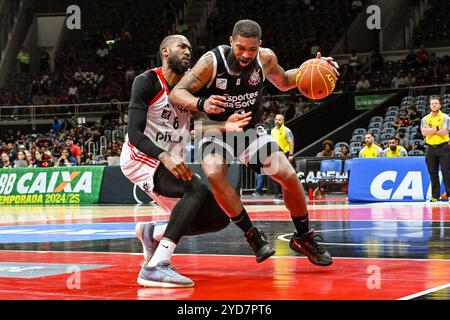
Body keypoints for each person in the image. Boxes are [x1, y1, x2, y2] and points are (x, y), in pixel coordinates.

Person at [170, 19, 338, 266]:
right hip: (216, 129)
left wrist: (313, 69)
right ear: (231, 42)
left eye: (252, 48)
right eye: (240, 48)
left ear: (260, 45)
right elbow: (177, 93)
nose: (246, 54)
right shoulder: (211, 62)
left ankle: (303, 237)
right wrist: (201, 104)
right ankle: (252, 234)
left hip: (248, 130)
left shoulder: (266, 58)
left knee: (288, 175)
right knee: (215, 173)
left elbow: (284, 81)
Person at [120, 34, 259, 288]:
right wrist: (164, 155)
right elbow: (135, 134)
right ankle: (156, 266)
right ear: (165, 51)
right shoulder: (147, 81)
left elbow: (198, 129)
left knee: (217, 220)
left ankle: (153, 234)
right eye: (182, 46)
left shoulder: (188, 92)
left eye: (190, 48)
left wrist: (224, 126)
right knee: (195, 189)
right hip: (142, 157)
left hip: (171, 161)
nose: (187, 52)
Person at [420, 96, 450, 202]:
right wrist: (437, 128)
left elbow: (444, 132)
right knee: (433, 173)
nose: (434, 105)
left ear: (440, 105)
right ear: (430, 106)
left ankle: (449, 195)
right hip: (430, 149)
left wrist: (431, 130)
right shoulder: (425, 119)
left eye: (436, 103)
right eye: (432, 103)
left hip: (443, 147)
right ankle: (435, 196)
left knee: (447, 172)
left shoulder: (445, 117)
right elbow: (424, 133)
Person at [269, 114, 295, 201]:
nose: (277, 121)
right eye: (276, 119)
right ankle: (278, 194)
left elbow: (291, 143)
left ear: (283, 121)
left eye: (279, 120)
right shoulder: (272, 131)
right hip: (275, 155)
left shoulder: (287, 130)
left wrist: (291, 155)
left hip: (285, 154)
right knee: (275, 174)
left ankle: (289, 194)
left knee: (286, 175)